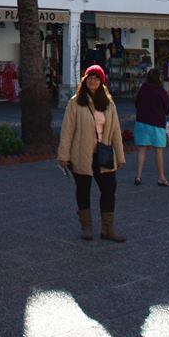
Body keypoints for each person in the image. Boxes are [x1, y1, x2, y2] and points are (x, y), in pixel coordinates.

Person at [57, 64, 126, 243]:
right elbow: (67, 130)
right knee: (83, 190)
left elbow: (116, 131)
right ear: (85, 80)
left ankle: (108, 228)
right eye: (90, 77)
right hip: (82, 153)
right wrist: (63, 155)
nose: (93, 80)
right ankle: (86, 227)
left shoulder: (109, 104)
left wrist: (120, 156)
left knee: (109, 189)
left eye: (96, 78)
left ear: (102, 82)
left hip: (104, 154)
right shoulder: (75, 102)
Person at [133, 67, 169, 186]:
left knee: (141, 150)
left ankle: (138, 176)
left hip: (142, 122)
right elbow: (167, 109)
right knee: (158, 151)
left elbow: (136, 104)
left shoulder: (143, 89)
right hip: (157, 123)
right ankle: (161, 177)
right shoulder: (161, 91)